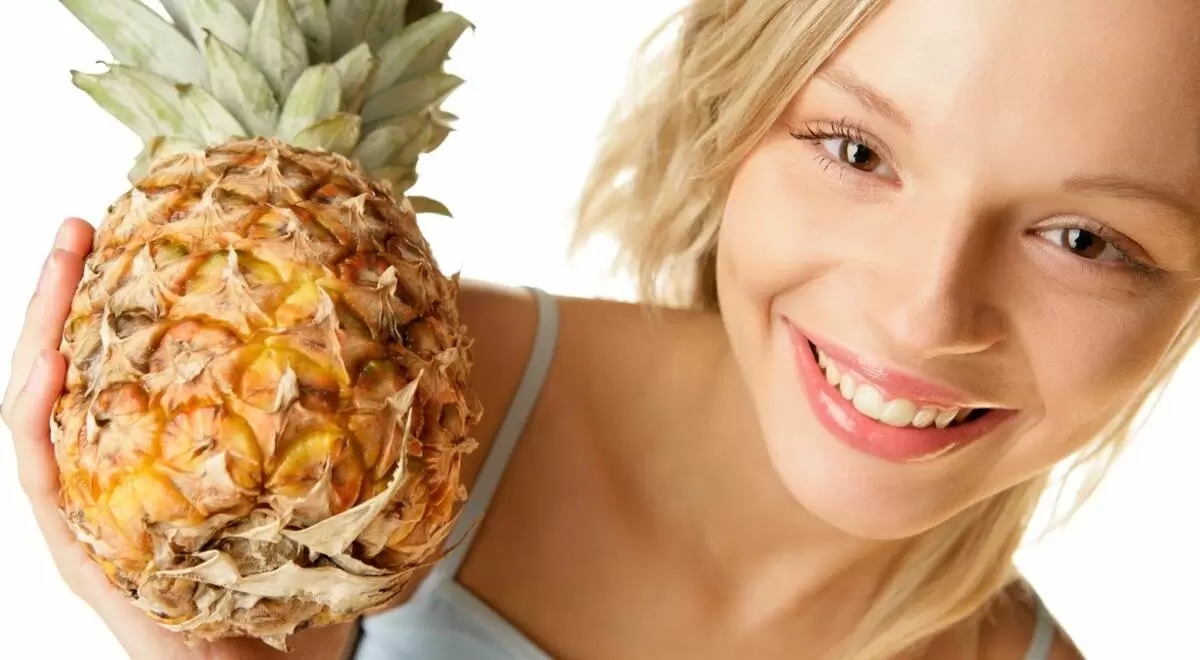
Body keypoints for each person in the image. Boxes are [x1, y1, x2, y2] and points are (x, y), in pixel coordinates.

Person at [8, 0, 1199, 657]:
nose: (923, 312)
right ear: (734, 107)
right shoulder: (374, 434)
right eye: (855, 151)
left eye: (1085, 240)